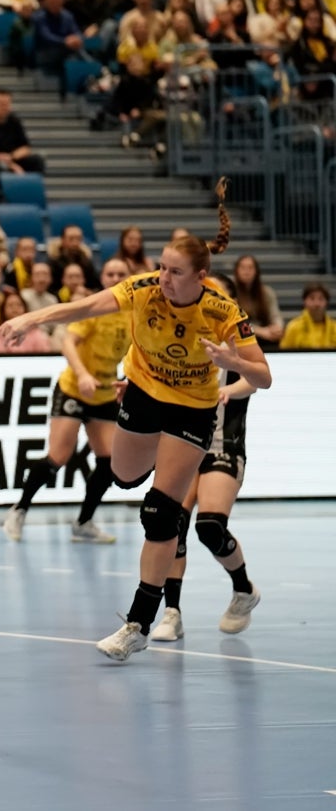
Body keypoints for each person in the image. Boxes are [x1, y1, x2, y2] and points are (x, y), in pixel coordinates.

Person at [0, 182, 272, 661]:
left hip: (193, 408)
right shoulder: (144, 290)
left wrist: (234, 359)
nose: (163, 277)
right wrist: (31, 319)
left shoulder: (223, 311)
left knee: (160, 512)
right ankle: (155, 473)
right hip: (143, 393)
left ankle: (138, 624)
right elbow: (85, 306)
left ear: (201, 277)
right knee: (123, 476)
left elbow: (264, 376)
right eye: (162, 267)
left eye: (174, 272)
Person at [150, 273, 262, 642]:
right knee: (171, 523)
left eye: (217, 293)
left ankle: (243, 589)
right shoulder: (178, 333)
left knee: (209, 526)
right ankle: (172, 612)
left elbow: (257, 379)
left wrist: (231, 385)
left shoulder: (236, 338)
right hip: (183, 441)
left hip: (222, 442)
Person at [2, 258, 132, 544]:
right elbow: (68, 343)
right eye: (110, 273)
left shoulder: (134, 313)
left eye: (121, 273)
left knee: (110, 462)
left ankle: (84, 523)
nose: (115, 277)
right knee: (58, 456)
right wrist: (83, 375)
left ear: (129, 277)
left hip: (105, 392)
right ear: (102, 277)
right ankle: (19, 509)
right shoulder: (94, 308)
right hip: (74, 388)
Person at [280, 282, 336, 349]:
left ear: (327, 302)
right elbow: (284, 354)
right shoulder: (293, 327)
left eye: (321, 299)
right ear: (304, 301)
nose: (317, 304)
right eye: (312, 298)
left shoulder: (334, 327)